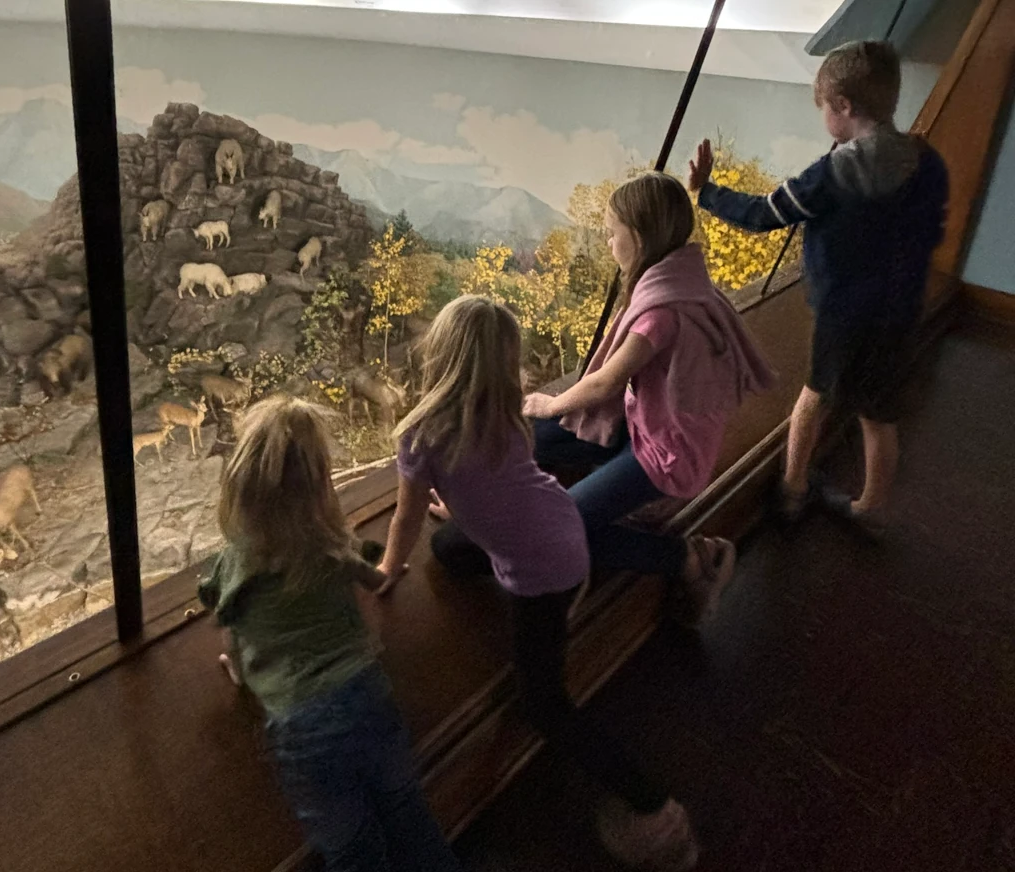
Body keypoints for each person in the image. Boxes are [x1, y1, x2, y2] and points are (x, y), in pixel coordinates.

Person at [379, 296, 700, 870]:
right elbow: (504, 484)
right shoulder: (506, 412)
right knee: (451, 548)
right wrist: (466, 514)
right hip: (561, 523)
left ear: (439, 353)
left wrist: (386, 571)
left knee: (543, 702)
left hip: (544, 575)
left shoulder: (421, 434)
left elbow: (403, 519)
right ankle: (526, 560)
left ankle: (653, 807)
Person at [433, 171, 776, 617]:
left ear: (637, 237)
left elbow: (606, 383)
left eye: (613, 234)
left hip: (664, 455)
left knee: (564, 522)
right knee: (530, 433)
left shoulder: (663, 311)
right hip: (644, 424)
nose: (609, 243)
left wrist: (553, 402)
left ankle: (693, 559)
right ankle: (476, 489)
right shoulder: (686, 281)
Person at [690, 40, 949, 533]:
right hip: (899, 311)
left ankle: (790, 490)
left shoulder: (834, 174)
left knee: (814, 397)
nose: (823, 118)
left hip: (844, 314)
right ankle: (870, 510)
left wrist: (706, 192)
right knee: (878, 416)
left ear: (844, 108)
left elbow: (765, 214)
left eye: (825, 108)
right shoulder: (926, 161)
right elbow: (934, 229)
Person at [198, 395, 462, 872]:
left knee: (352, 849)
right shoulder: (331, 548)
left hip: (302, 728)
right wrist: (388, 572)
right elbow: (378, 579)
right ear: (320, 485)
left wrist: (237, 673)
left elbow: (230, 634)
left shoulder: (231, 566)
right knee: (408, 811)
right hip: (367, 694)